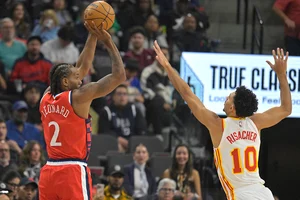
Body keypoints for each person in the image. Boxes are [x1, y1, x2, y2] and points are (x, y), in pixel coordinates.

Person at [153, 41, 292, 200]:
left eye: (229, 98)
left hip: (241, 195)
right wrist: (281, 75)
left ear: (232, 108)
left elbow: (187, 94)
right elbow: (286, 109)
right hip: (263, 193)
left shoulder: (218, 125)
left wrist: (168, 67)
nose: (226, 98)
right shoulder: (256, 122)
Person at [38, 21, 126, 200]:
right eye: (76, 78)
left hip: (48, 171)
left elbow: (81, 67)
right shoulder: (79, 97)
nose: (81, 79)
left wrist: (92, 35)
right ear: (65, 82)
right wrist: (108, 41)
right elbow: (119, 76)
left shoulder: (46, 97)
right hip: (71, 170)